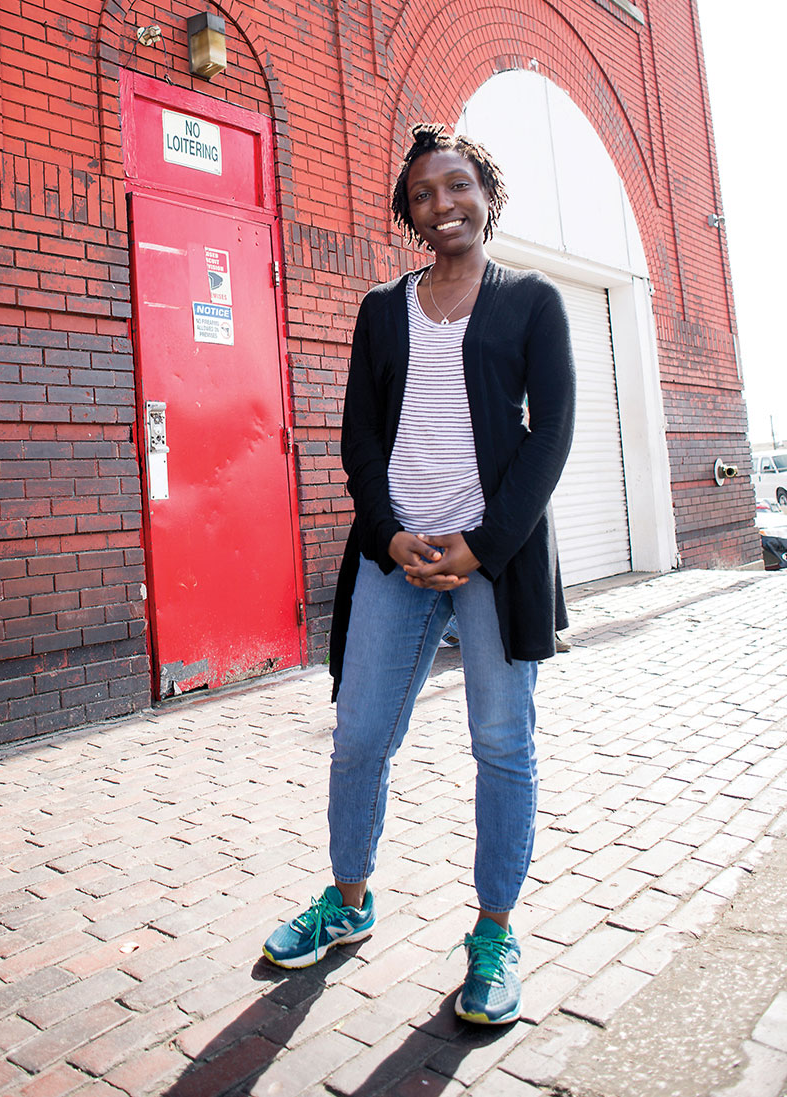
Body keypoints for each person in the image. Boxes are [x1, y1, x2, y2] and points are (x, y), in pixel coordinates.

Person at [262, 124, 576, 1025]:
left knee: (502, 743)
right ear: (410, 214)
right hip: (393, 561)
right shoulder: (380, 309)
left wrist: (484, 545)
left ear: (487, 190)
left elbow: (550, 434)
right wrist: (389, 533)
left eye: (458, 185)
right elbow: (360, 436)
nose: (444, 204)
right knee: (360, 735)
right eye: (425, 194)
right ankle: (349, 901)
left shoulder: (532, 302)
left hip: (492, 560)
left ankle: (493, 934)